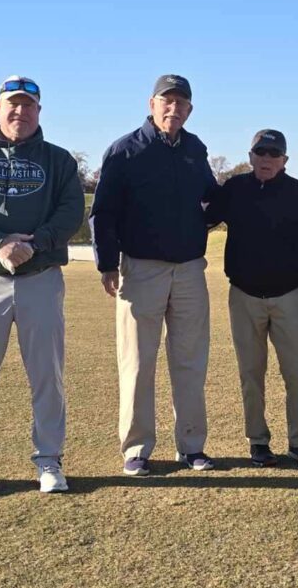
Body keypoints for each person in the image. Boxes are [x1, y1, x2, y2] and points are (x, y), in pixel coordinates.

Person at [0, 75, 85, 496]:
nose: (19, 112)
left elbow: (70, 212)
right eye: (13, 104)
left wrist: (36, 244)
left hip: (40, 277)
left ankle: (49, 460)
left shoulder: (59, 160)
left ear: (39, 111)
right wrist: (0, 242)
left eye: (28, 105)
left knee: (47, 374)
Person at [90, 74, 219, 476]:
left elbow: (210, 199)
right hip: (141, 268)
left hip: (189, 270)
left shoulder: (195, 149)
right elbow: (104, 212)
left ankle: (192, 446)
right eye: (167, 101)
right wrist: (107, 263)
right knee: (138, 362)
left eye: (181, 102)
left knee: (191, 361)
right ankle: (137, 448)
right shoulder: (126, 150)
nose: (173, 108)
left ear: (190, 109)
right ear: (151, 104)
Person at [206, 129, 298, 467]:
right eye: (261, 152)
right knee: (251, 373)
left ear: (284, 161)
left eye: (274, 154)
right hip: (244, 296)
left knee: (296, 374)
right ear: (250, 157)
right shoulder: (235, 189)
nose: (267, 159)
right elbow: (203, 218)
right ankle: (258, 441)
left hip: (290, 296)